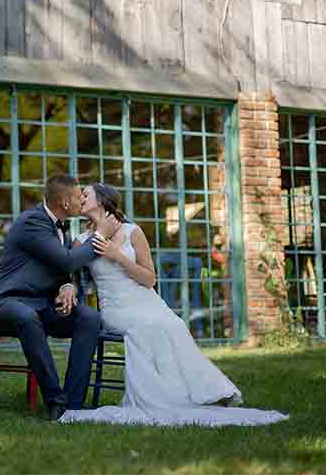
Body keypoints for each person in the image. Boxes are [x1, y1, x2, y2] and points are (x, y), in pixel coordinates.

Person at [59, 182, 288, 427]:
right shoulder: (82, 240)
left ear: (102, 200)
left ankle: (194, 395)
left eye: (85, 194)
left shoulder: (132, 231)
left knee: (173, 324)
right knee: (147, 327)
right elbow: (69, 269)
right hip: (115, 308)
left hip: (146, 301)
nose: (79, 197)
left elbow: (149, 279)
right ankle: (163, 398)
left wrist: (118, 257)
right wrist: (68, 285)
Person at [0, 174, 122, 421]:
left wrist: (67, 285)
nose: (82, 198)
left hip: (43, 306)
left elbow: (61, 268)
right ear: (65, 203)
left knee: (89, 318)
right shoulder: (33, 222)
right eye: (78, 195)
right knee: (27, 317)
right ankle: (56, 402)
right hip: (8, 304)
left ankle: (73, 405)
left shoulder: (61, 227)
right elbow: (68, 260)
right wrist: (100, 233)